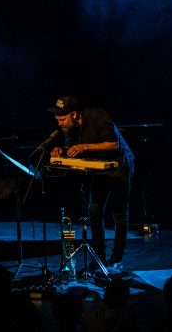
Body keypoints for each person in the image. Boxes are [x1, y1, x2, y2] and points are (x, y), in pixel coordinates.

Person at [48, 96, 135, 267]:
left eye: (62, 119)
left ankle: (117, 257)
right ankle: (99, 258)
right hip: (98, 166)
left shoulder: (98, 116)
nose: (59, 123)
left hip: (120, 165)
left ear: (74, 114)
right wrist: (61, 151)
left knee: (118, 213)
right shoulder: (69, 129)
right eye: (57, 119)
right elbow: (73, 148)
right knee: (94, 210)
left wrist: (85, 147)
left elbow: (113, 145)